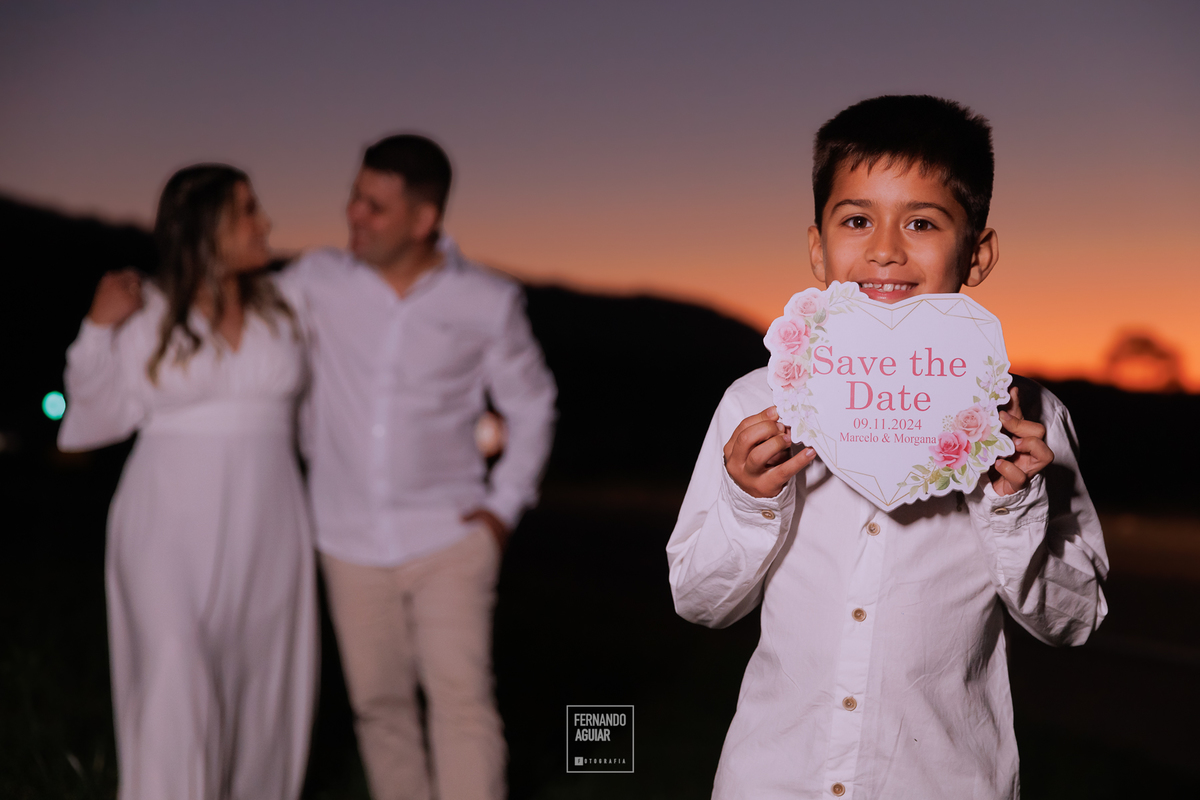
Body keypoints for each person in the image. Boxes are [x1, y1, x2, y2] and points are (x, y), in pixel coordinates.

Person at [666, 96, 1108, 799]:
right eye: (857, 219)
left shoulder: (1029, 420)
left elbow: (1074, 621)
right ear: (818, 246)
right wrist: (750, 503)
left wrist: (1016, 504)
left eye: (923, 222)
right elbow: (698, 601)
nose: (885, 249)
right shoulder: (757, 403)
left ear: (978, 252)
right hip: (774, 781)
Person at [281, 134, 556, 800]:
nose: (355, 216)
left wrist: (502, 510)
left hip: (448, 538)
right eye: (354, 197)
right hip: (344, 538)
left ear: (424, 219)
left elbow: (533, 402)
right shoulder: (315, 281)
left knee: (461, 705)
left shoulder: (486, 300)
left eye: (374, 206)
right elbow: (240, 321)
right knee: (379, 709)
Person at [58, 165, 317, 800]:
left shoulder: (287, 307)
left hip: (270, 525)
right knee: (174, 670)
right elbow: (91, 418)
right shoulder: (143, 308)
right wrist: (95, 328)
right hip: (166, 525)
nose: (266, 224)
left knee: (259, 692)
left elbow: (319, 419)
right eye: (249, 211)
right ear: (205, 227)